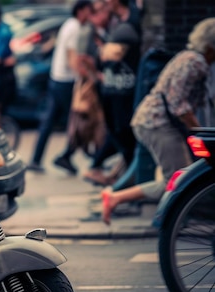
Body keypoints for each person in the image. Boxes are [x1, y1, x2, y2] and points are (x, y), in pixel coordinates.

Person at [100, 17, 215, 225]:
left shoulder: (187, 57)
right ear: (210, 46)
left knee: (170, 180)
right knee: (180, 180)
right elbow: (178, 105)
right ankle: (169, 221)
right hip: (158, 124)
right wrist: (200, 132)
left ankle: (118, 198)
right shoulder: (196, 62)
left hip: (150, 121)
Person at [27, 0, 93, 173]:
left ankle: (36, 159)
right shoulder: (75, 28)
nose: (91, 14)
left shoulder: (69, 25)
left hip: (56, 79)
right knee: (77, 121)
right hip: (65, 82)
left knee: (49, 121)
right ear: (81, 11)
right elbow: (72, 59)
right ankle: (66, 156)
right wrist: (86, 75)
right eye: (89, 10)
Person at [82, 0, 142, 185]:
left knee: (126, 140)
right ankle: (120, 181)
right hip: (112, 92)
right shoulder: (115, 23)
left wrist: (105, 51)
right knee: (118, 137)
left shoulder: (133, 19)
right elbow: (101, 56)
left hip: (125, 94)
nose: (105, 4)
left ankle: (124, 185)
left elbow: (111, 54)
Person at [53, 0, 111, 174]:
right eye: (96, 10)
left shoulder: (85, 29)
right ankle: (91, 158)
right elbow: (78, 60)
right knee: (84, 123)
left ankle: (91, 157)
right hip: (82, 83)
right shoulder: (80, 29)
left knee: (84, 123)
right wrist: (94, 76)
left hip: (76, 81)